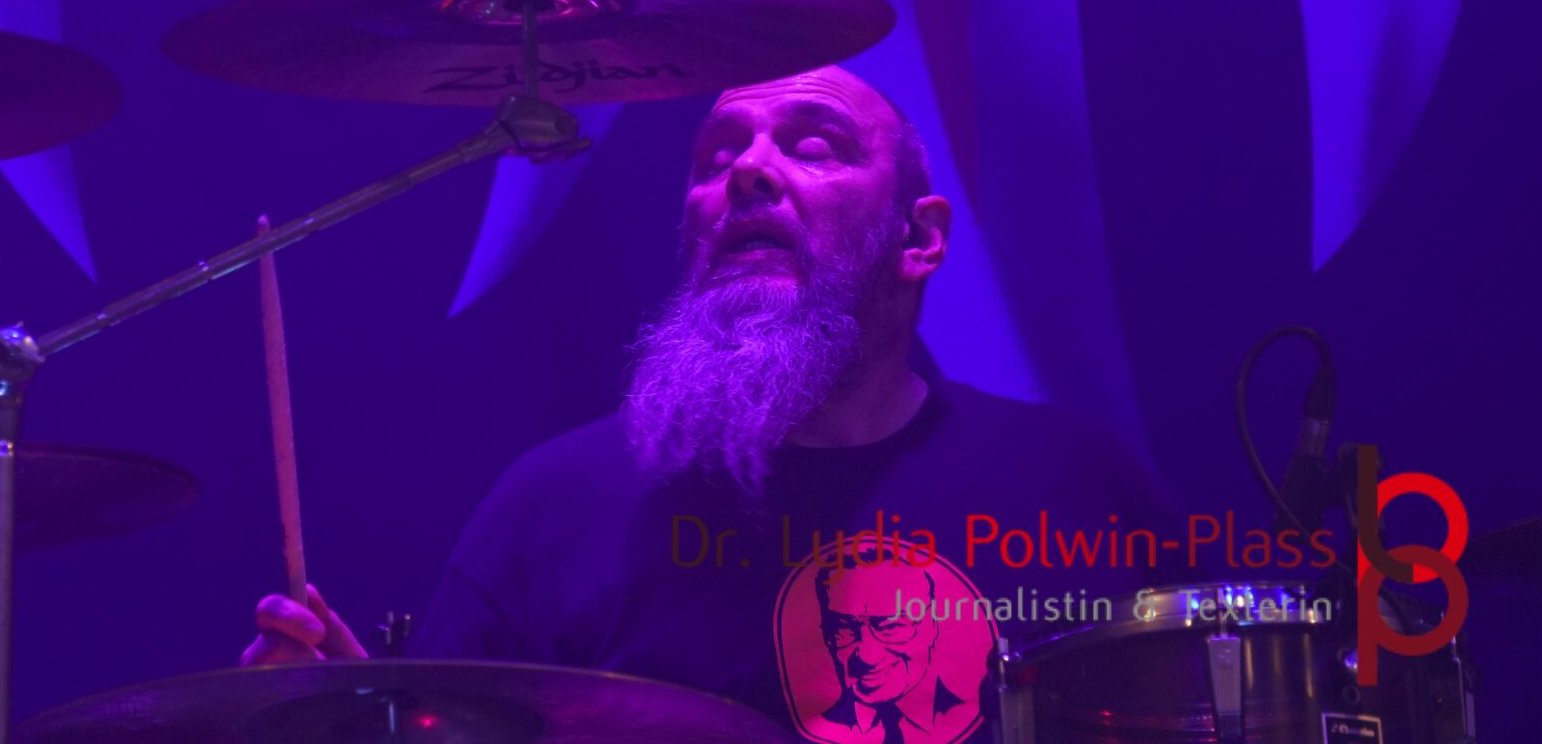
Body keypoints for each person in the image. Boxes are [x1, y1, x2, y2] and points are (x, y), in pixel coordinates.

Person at [244, 66, 1171, 742]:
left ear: (919, 239)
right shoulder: (556, 507)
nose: (748, 172)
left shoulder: (1074, 480)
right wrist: (347, 726)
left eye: (813, 147)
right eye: (717, 156)